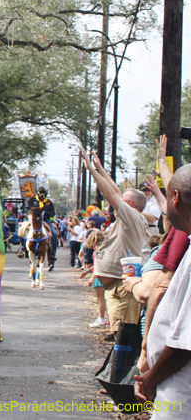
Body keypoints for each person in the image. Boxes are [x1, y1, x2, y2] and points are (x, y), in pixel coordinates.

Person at [135, 164, 191, 415]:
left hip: (180, 390)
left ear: (175, 198)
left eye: (165, 196)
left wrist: (149, 380)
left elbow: (185, 343)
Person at [81, 149, 149, 341]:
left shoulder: (132, 216)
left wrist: (92, 172)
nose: (114, 202)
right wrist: (100, 168)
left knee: (123, 336)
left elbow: (111, 193)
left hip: (123, 286)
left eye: (122, 200)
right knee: (119, 334)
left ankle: (121, 368)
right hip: (116, 285)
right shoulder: (129, 217)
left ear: (128, 203)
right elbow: (116, 191)